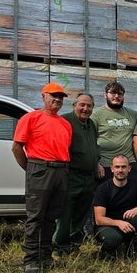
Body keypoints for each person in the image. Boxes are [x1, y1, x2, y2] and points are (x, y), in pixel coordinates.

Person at [12, 82, 73, 273]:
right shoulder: (31, 118)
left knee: (51, 217)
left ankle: (45, 257)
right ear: (43, 96)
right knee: (35, 217)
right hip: (40, 168)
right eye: (53, 95)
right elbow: (16, 147)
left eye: (60, 97)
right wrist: (31, 169)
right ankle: (31, 259)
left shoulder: (65, 124)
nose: (57, 99)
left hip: (61, 171)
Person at [53, 92, 99, 259]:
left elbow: (93, 146)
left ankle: (73, 246)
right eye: (82, 105)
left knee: (82, 212)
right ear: (74, 106)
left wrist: (97, 162)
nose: (85, 109)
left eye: (89, 106)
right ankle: (58, 247)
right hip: (71, 174)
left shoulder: (91, 124)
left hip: (88, 176)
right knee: (65, 213)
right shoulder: (65, 121)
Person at [93, 155, 137, 258]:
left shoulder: (136, 183)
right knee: (114, 239)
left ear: (129, 169)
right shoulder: (103, 189)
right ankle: (106, 252)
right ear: (112, 169)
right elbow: (99, 219)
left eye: (123, 167)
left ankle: (134, 246)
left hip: (129, 222)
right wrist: (118, 223)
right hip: (110, 225)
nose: (120, 170)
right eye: (117, 167)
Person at [91, 81, 137, 183]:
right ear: (105, 95)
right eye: (113, 93)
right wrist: (96, 164)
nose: (116, 96)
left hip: (129, 164)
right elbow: (89, 141)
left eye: (120, 94)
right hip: (105, 165)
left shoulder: (133, 115)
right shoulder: (96, 115)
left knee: (133, 195)